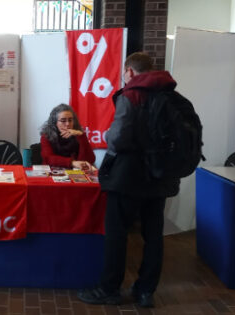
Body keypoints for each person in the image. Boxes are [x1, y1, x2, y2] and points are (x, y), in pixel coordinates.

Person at [77, 52, 181, 308]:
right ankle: (145, 291)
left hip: (127, 177)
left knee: (116, 234)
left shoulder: (131, 95)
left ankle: (109, 289)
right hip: (159, 178)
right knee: (154, 236)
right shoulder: (173, 97)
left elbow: (118, 138)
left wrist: (111, 133)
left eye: (124, 73)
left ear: (130, 72)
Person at [39, 104, 95, 170]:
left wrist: (81, 136)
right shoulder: (46, 136)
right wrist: (72, 162)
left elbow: (90, 160)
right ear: (55, 122)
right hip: (52, 172)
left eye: (70, 120)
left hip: (74, 173)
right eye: (63, 121)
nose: (68, 124)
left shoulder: (78, 134)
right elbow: (49, 159)